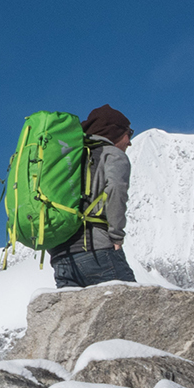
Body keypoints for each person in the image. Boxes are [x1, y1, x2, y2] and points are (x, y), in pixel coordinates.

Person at [48, 104, 137, 288]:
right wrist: (116, 237)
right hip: (98, 251)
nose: (129, 142)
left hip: (61, 258)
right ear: (115, 132)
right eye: (129, 133)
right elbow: (115, 189)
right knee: (137, 313)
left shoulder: (67, 157)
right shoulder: (112, 155)